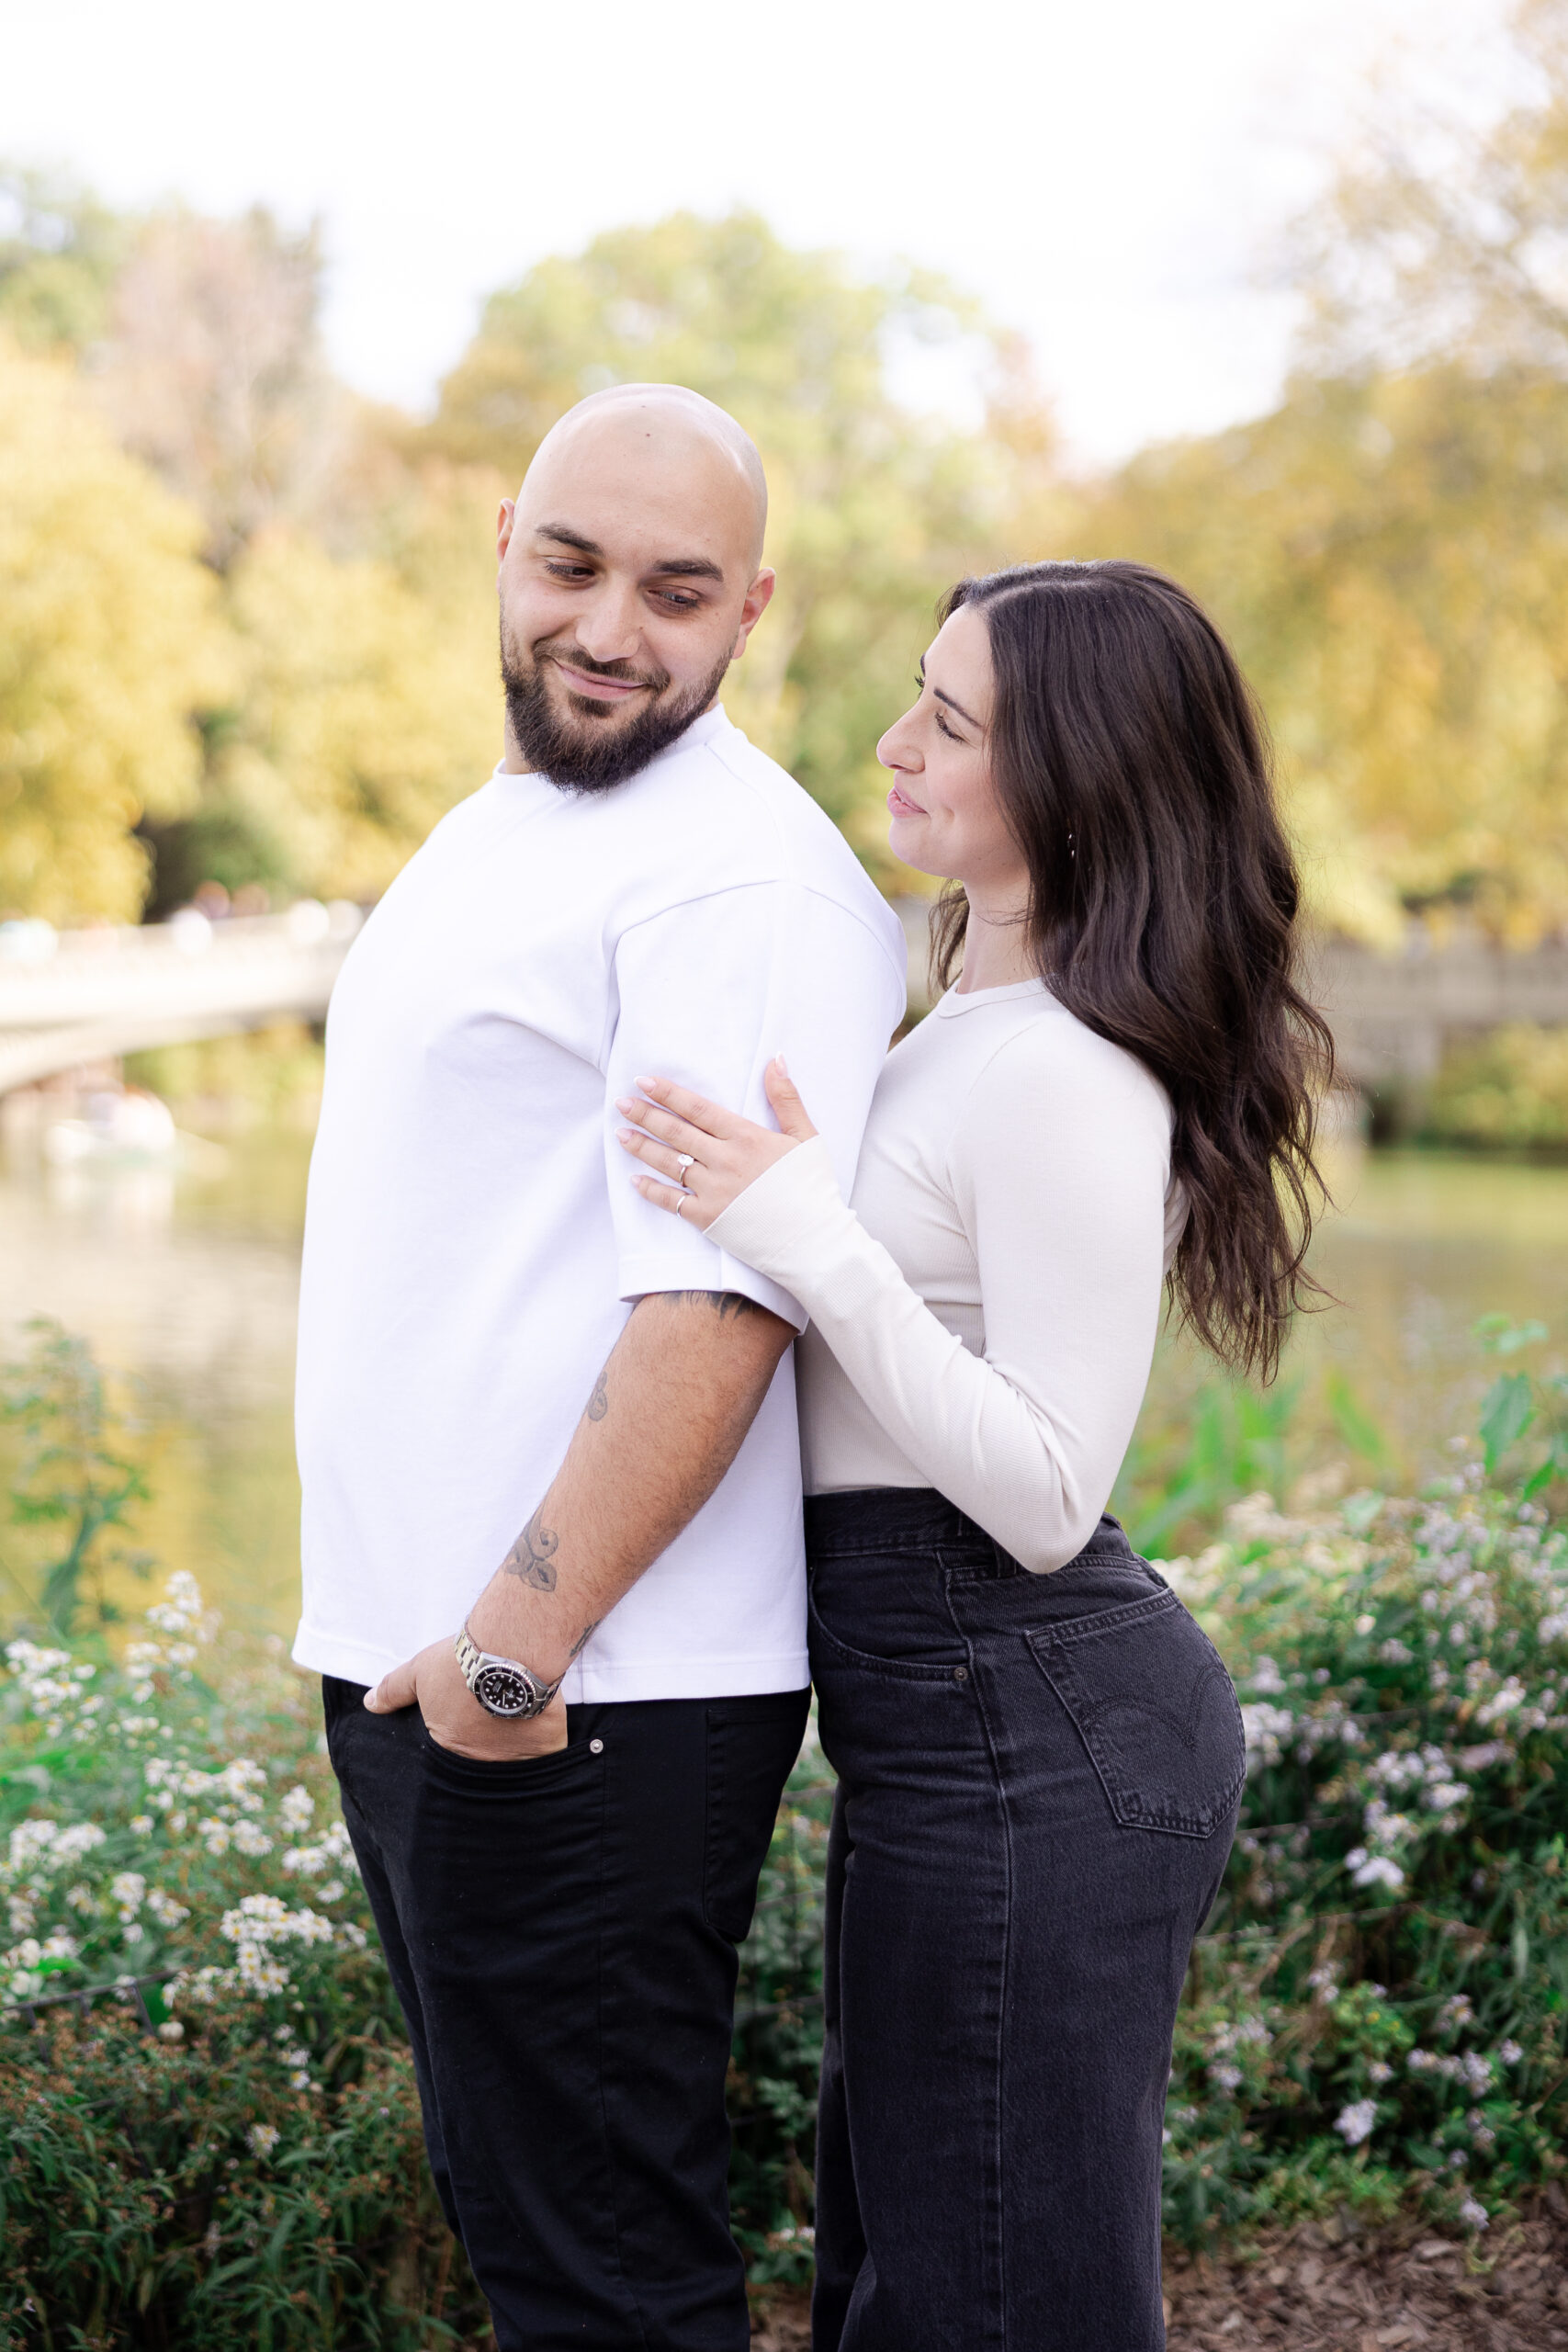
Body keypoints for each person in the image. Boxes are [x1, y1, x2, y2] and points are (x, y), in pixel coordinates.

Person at [616, 560, 1330, 2352]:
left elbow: (1038, 1486)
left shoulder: (1067, 1075)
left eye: (950, 718)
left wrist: (807, 1229)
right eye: (912, 698)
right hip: (944, 1724)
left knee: (996, 2292)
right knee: (911, 2271)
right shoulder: (963, 1026)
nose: (891, 740)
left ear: (1079, 767)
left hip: (1030, 1713)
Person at [291, 384, 908, 2352]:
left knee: (603, 2277)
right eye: (569, 566)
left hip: (580, 1691)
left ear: (752, 613)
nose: (607, 628)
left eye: (675, 587)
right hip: (455, 1665)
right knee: (532, 2232)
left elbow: (714, 1312)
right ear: (500, 546)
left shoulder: (733, 879)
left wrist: (501, 1662)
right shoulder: (523, 823)